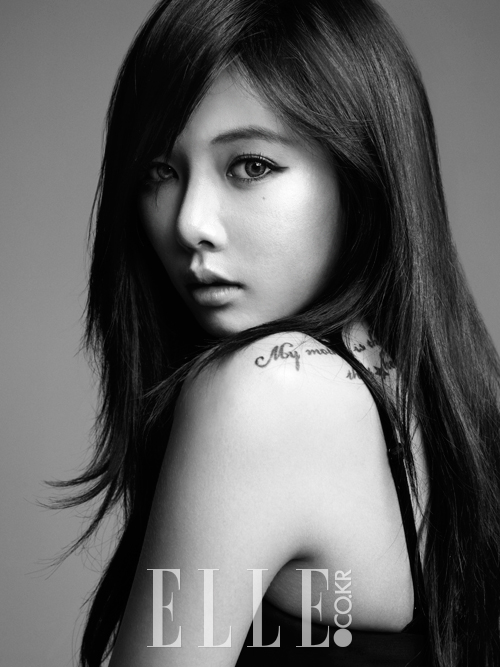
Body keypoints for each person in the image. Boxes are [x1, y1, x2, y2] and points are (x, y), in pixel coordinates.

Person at [55, 0, 500, 665]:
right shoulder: (422, 387)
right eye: (160, 172)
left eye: (251, 166)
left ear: (360, 173)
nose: (189, 223)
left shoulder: (261, 392)